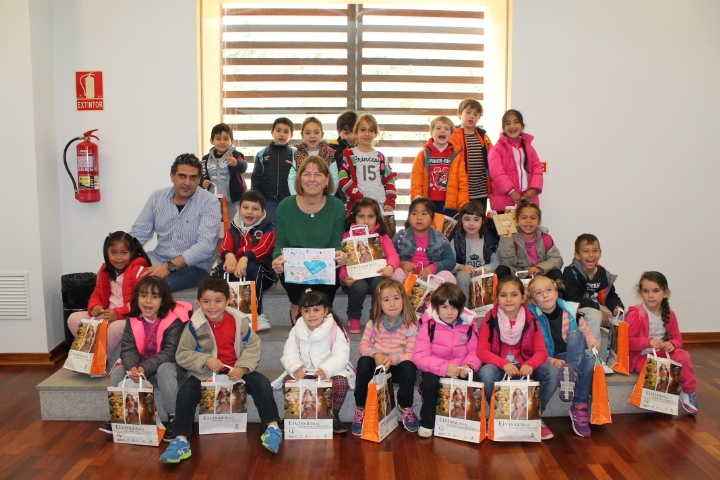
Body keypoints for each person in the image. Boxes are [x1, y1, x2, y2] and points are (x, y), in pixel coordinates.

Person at [160, 276, 282, 463]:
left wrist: (242, 367)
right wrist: (205, 360)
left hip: (236, 370)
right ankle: (180, 440)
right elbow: (182, 354)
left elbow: (253, 346)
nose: (212, 306)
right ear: (199, 302)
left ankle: (273, 427)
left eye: (218, 301)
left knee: (262, 383)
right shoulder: (194, 324)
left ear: (228, 300)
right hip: (204, 372)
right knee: (185, 392)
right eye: (206, 301)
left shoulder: (239, 321)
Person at [98, 276, 192, 440]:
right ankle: (122, 415)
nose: (148, 301)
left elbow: (170, 352)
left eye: (155, 296)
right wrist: (133, 367)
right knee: (119, 372)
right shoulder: (133, 318)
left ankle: (173, 416)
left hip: (171, 365)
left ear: (163, 301)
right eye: (143, 295)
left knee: (165, 369)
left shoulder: (175, 319)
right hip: (142, 365)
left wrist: (144, 368)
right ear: (136, 298)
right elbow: (128, 349)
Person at [476, 276, 555, 440]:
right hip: (501, 368)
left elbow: (541, 352)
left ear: (523, 298)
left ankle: (535, 416)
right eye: (503, 295)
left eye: (514, 295)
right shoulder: (490, 319)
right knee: (486, 372)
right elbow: (482, 351)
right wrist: (503, 363)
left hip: (525, 366)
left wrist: (530, 364)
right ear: (496, 298)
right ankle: (496, 415)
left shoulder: (532, 320)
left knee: (552, 372)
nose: (509, 299)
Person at [271, 156, 347, 323]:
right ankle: (297, 306)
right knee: (289, 257)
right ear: (299, 178)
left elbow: (336, 244)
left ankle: (325, 312)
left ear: (327, 179)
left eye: (318, 174)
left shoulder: (336, 206)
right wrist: (277, 259)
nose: (312, 179)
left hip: (324, 268)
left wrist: (341, 254)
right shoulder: (285, 206)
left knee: (332, 269)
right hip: (294, 269)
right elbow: (281, 244)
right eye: (307, 174)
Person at [130, 153, 222, 292]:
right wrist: (111, 265)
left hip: (194, 267)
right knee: (120, 279)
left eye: (193, 177)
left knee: (153, 288)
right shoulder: (157, 197)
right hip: (158, 259)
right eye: (182, 176)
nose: (187, 182)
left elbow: (206, 247)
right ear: (172, 176)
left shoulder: (209, 202)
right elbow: (139, 234)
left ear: (199, 179)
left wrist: (169, 267)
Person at [527, 275, 598, 438]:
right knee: (588, 358)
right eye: (538, 293)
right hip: (548, 357)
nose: (545, 295)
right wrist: (550, 360)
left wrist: (593, 343)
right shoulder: (531, 316)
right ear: (532, 299)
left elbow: (587, 332)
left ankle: (570, 376)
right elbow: (531, 348)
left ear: (556, 291)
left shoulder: (571, 310)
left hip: (571, 355)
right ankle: (579, 403)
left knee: (578, 338)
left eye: (549, 290)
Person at [277, 290, 354, 434]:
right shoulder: (296, 330)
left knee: (341, 383)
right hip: (305, 371)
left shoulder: (335, 330)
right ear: (300, 312)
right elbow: (289, 353)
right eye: (307, 311)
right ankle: (292, 415)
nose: (312, 315)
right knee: (288, 381)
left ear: (326, 311)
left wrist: (326, 369)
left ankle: (333, 414)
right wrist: (295, 367)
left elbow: (341, 355)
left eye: (316, 310)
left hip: (329, 371)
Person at [412, 283, 481, 437]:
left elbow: (473, 352)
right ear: (436, 307)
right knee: (429, 382)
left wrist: (468, 367)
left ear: (461, 308)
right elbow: (419, 357)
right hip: (435, 368)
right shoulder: (428, 325)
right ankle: (427, 422)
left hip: (460, 367)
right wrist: (445, 369)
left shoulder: (469, 325)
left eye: (454, 308)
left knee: (474, 380)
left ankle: (466, 422)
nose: (449, 312)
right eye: (444, 307)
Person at [353, 279, 419, 435]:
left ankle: (405, 406)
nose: (392, 304)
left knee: (409, 367)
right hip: (377, 366)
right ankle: (361, 407)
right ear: (379, 303)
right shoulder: (373, 323)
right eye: (386, 300)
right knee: (363, 362)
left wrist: (394, 359)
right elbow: (363, 347)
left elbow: (410, 353)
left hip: (397, 367)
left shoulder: (411, 324)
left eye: (396, 298)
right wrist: (376, 354)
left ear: (403, 300)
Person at [67, 231, 151, 355]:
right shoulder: (105, 271)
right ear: (107, 253)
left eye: (124, 253)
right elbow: (97, 293)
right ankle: (90, 356)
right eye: (113, 252)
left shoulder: (141, 272)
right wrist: (94, 306)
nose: (118, 257)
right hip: (107, 313)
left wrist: (118, 314)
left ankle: (102, 359)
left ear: (132, 253)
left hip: (129, 317)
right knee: (73, 319)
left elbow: (139, 302)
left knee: (116, 328)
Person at [626, 271, 698, 415]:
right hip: (640, 357)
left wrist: (672, 344)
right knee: (656, 368)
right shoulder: (635, 314)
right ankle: (659, 402)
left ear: (665, 293)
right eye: (646, 291)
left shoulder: (670, 314)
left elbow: (678, 339)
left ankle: (688, 392)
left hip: (663, 353)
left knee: (683, 356)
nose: (650, 295)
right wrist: (648, 342)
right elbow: (629, 342)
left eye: (656, 291)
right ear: (640, 293)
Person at [217, 190, 277, 331]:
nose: (249, 212)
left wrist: (245, 258)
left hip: (263, 274)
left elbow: (263, 248)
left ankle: (256, 313)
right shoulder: (232, 229)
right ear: (239, 210)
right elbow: (224, 246)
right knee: (221, 269)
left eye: (255, 209)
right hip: (238, 272)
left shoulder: (268, 229)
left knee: (252, 267)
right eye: (246, 207)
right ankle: (230, 311)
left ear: (262, 213)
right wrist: (229, 256)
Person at [339, 198, 400, 333]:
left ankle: (377, 316)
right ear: (354, 217)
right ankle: (354, 318)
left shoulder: (382, 237)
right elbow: (342, 263)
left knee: (380, 285)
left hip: (376, 275)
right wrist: (344, 278)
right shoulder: (346, 237)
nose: (366, 221)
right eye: (361, 216)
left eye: (371, 216)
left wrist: (390, 266)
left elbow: (393, 256)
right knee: (360, 287)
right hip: (354, 279)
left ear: (377, 218)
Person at [562, 233, 624, 355]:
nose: (591, 255)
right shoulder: (570, 272)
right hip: (576, 308)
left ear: (600, 253)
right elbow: (571, 298)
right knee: (595, 315)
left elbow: (610, 294)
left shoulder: (602, 273)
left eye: (595, 251)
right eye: (586, 251)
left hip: (595, 307)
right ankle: (593, 358)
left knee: (621, 316)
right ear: (577, 255)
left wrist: (616, 306)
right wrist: (597, 309)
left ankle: (612, 357)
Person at [338, 113, 397, 214]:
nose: (367, 134)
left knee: (380, 230)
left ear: (376, 134)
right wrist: (356, 195)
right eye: (363, 130)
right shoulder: (349, 155)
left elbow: (390, 178)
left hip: (379, 205)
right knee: (359, 230)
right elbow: (342, 179)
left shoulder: (380, 156)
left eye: (371, 130)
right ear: (356, 132)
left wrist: (390, 200)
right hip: (358, 205)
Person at [410, 116, 468, 217]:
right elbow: (416, 178)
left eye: (446, 129)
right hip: (428, 204)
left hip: (451, 205)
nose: (442, 131)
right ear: (431, 132)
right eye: (438, 128)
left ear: (451, 134)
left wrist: (463, 205)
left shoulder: (456, 156)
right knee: (429, 231)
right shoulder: (423, 154)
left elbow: (463, 182)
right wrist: (416, 199)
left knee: (450, 232)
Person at [487, 109, 544, 212]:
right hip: (504, 204)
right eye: (508, 123)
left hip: (527, 202)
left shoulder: (529, 148)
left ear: (522, 126)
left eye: (516, 122)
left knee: (527, 228)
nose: (512, 126)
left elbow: (537, 170)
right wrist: (511, 191)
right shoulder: (496, 150)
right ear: (503, 128)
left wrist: (533, 189)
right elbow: (497, 175)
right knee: (508, 229)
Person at [392, 197, 456, 284]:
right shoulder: (401, 236)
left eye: (424, 214)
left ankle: (433, 297)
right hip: (407, 278)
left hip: (432, 278)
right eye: (414, 213)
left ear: (433, 218)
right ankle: (402, 297)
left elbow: (451, 261)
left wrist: (433, 267)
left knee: (447, 276)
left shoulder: (441, 238)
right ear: (408, 217)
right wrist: (402, 264)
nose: (419, 217)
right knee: (397, 272)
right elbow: (390, 256)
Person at [496, 202, 563, 281]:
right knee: (501, 270)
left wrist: (540, 268)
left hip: (540, 275)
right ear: (517, 221)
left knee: (556, 273)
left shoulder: (545, 238)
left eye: (533, 218)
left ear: (539, 222)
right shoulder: (511, 237)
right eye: (524, 218)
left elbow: (557, 259)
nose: (528, 221)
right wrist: (507, 240)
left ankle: (557, 293)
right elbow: (507, 263)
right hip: (518, 276)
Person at [448, 201, 500, 301]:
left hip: (484, 278)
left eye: (476, 220)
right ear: (461, 220)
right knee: (463, 275)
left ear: (483, 221)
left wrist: (485, 269)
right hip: (464, 279)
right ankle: (465, 310)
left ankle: (485, 311)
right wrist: (461, 267)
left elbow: (496, 263)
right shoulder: (456, 241)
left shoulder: (490, 241)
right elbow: (450, 263)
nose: (471, 224)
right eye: (467, 219)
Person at [450, 98, 493, 210]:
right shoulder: (452, 136)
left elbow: (492, 159)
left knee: (478, 221)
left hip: (480, 191)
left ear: (479, 117)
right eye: (468, 112)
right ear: (459, 114)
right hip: (461, 190)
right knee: (460, 221)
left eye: (476, 114)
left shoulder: (483, 137)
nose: (471, 116)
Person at [251, 117, 296, 221]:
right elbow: (256, 177)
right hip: (268, 200)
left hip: (289, 199)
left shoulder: (295, 154)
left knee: (287, 227)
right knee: (270, 229)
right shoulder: (262, 154)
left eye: (286, 131)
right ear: (272, 132)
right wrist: (256, 199)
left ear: (291, 135)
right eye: (278, 130)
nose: (281, 134)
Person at [200, 122, 247, 216]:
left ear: (232, 141)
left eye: (226, 139)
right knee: (215, 226)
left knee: (233, 227)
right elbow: (200, 175)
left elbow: (243, 167)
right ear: (212, 141)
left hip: (234, 201)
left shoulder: (236, 155)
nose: (222, 142)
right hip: (213, 201)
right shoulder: (206, 159)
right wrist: (202, 182)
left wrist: (235, 163)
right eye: (218, 138)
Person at [288, 117, 339, 195]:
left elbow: (334, 179)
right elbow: (292, 178)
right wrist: (296, 197)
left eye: (316, 132)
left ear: (322, 134)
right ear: (302, 135)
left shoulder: (329, 154)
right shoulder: (298, 155)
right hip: (302, 198)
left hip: (323, 198)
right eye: (308, 133)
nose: (312, 136)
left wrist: (328, 198)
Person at [328, 109, 358, 205]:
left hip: (357, 191)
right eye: (346, 133)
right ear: (338, 131)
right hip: (337, 193)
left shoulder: (362, 148)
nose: (351, 136)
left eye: (354, 132)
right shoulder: (331, 148)